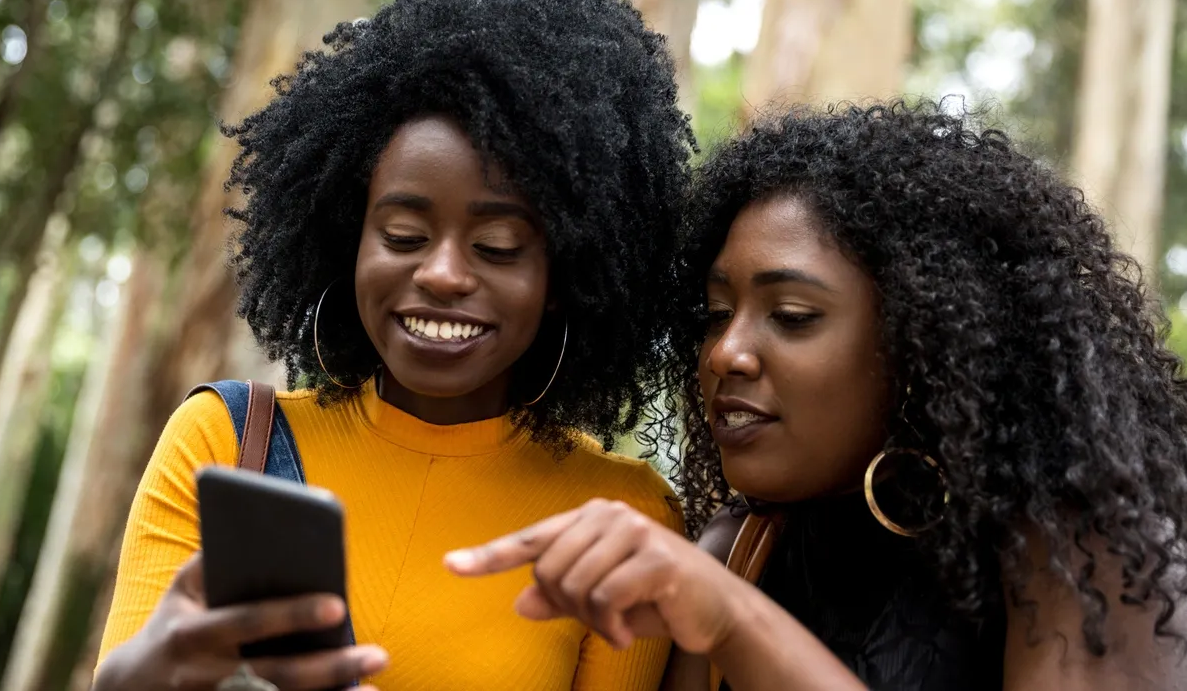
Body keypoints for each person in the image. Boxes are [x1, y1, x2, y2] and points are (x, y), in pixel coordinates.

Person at [92, 0, 694, 691]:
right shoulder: (223, 442)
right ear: (349, 241)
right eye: (404, 235)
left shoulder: (625, 519)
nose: (442, 274)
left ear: (566, 279)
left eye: (497, 246)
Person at [446, 101, 1187, 690]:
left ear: (922, 339)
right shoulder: (738, 550)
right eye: (714, 315)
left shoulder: (1077, 550)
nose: (726, 353)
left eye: (792, 317)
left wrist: (736, 625)